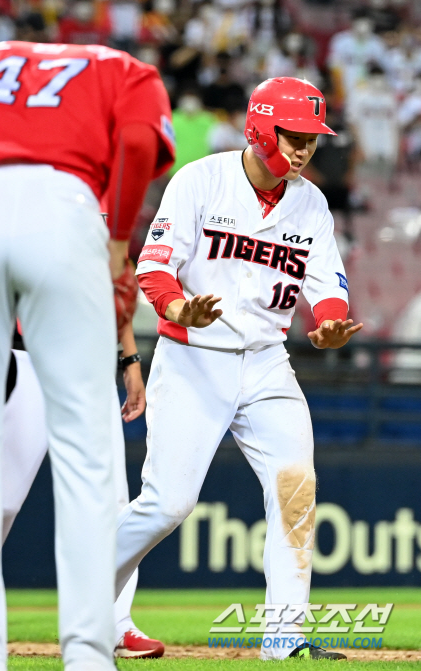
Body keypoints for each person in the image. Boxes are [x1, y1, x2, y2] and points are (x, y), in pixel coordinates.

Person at [0, 41, 175, 671]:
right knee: (86, 454)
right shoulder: (123, 68)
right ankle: (87, 654)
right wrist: (120, 243)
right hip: (64, 205)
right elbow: (134, 142)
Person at [114, 77, 363, 661]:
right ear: (258, 126)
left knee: (296, 488)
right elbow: (154, 267)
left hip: (268, 362)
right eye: (294, 136)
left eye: (311, 140)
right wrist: (178, 307)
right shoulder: (201, 181)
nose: (304, 150)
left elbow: (328, 286)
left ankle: (285, 636)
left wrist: (328, 322)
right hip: (194, 358)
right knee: (167, 505)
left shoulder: (311, 201)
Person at [1, 283, 165, 659]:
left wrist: (130, 360)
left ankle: (116, 623)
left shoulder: (107, 225)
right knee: (2, 500)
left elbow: (117, 288)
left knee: (114, 503)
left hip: (92, 363)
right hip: (29, 359)